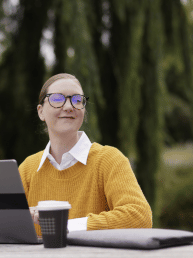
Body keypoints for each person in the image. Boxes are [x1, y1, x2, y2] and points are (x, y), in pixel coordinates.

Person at [18, 73, 152, 235]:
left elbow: (139, 217)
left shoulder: (109, 160)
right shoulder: (27, 169)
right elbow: (4, 226)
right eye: (57, 99)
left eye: (77, 100)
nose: (68, 106)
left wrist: (64, 225)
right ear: (41, 112)